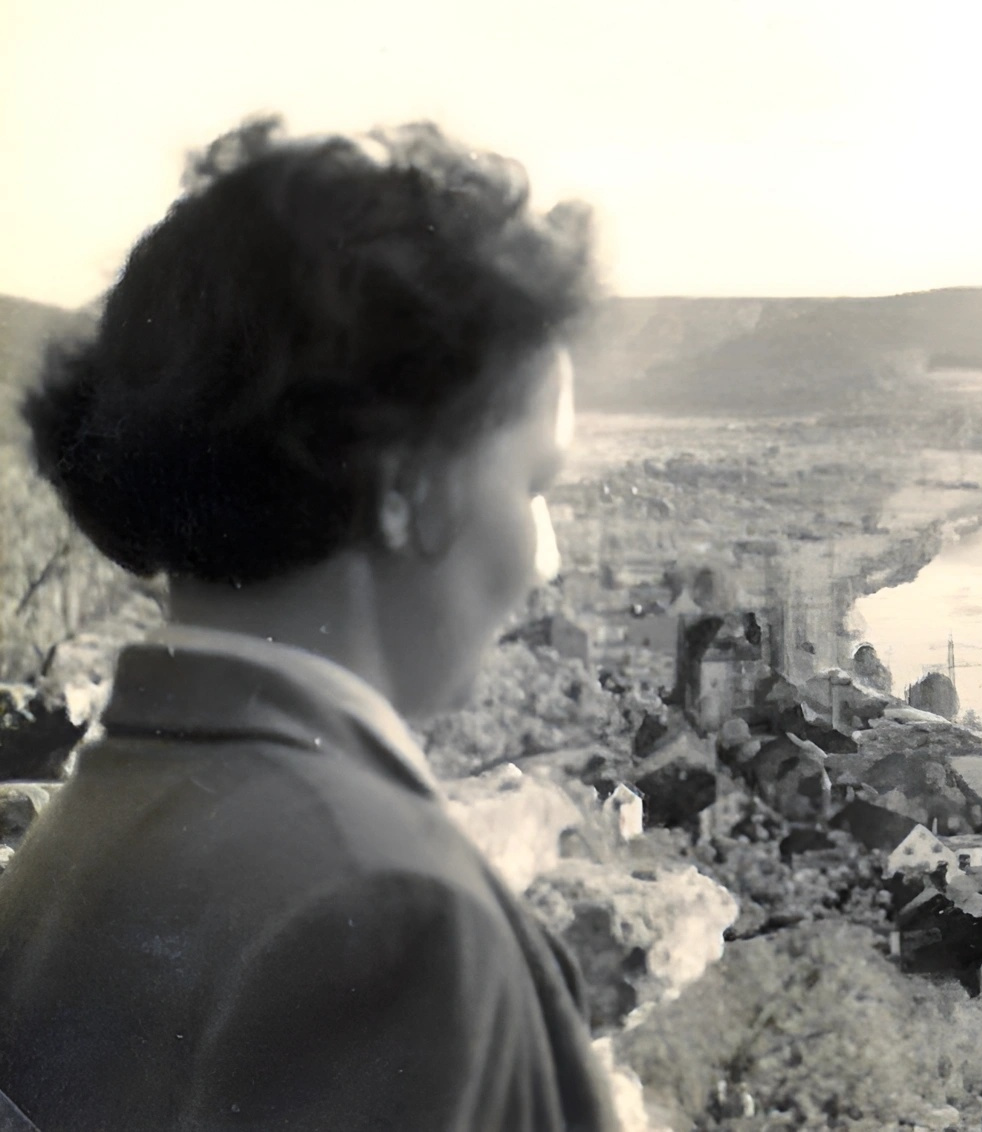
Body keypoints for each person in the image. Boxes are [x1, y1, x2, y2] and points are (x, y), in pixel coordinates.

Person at [0, 117, 618, 1131]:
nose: (545, 558)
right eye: (534, 485)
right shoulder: (393, 919)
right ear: (409, 488)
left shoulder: (75, 835)